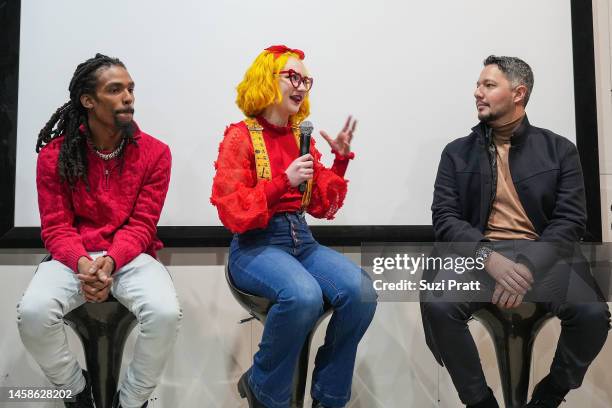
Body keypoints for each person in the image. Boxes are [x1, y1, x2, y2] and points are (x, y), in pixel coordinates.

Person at [420, 55, 610, 408]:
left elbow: (570, 222)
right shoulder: (456, 153)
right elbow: (444, 219)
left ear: (518, 93)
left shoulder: (560, 150)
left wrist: (525, 266)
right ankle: (479, 402)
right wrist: (488, 258)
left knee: (593, 315)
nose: (477, 92)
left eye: (488, 85)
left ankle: (550, 394)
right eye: (478, 85)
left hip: (542, 259)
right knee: (440, 305)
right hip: (480, 259)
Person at [211, 45, 377, 408]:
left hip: (302, 241)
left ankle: (329, 397)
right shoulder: (241, 136)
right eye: (293, 77)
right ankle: (265, 389)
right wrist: (281, 182)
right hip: (256, 245)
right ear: (267, 81)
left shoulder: (300, 137)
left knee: (361, 291)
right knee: (303, 295)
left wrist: (341, 160)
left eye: (307, 80)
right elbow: (231, 210)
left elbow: (320, 204)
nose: (302, 85)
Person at [17, 53, 182, 408]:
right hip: (71, 256)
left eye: (131, 89)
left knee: (165, 313)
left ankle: (133, 399)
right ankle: (75, 391)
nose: (128, 97)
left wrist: (110, 261)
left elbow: (141, 225)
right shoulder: (54, 155)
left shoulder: (156, 153)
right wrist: (81, 263)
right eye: (115, 89)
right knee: (32, 313)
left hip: (131, 256)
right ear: (88, 100)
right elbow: (57, 227)